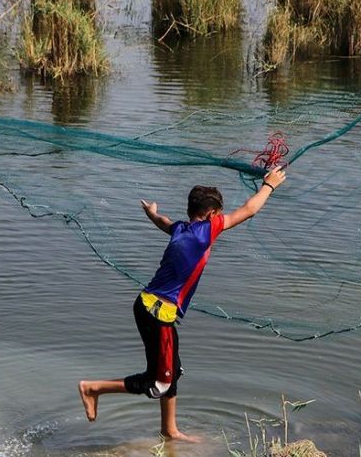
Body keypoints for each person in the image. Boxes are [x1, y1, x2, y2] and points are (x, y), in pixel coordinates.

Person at [78, 166, 287, 442]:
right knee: (160, 382)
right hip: (157, 313)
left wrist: (151, 213)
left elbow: (163, 222)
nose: (221, 218)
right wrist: (269, 185)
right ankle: (94, 388)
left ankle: (170, 430)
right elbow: (249, 210)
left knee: (172, 371)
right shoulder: (205, 232)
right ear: (211, 214)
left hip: (150, 307)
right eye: (219, 214)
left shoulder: (181, 229)